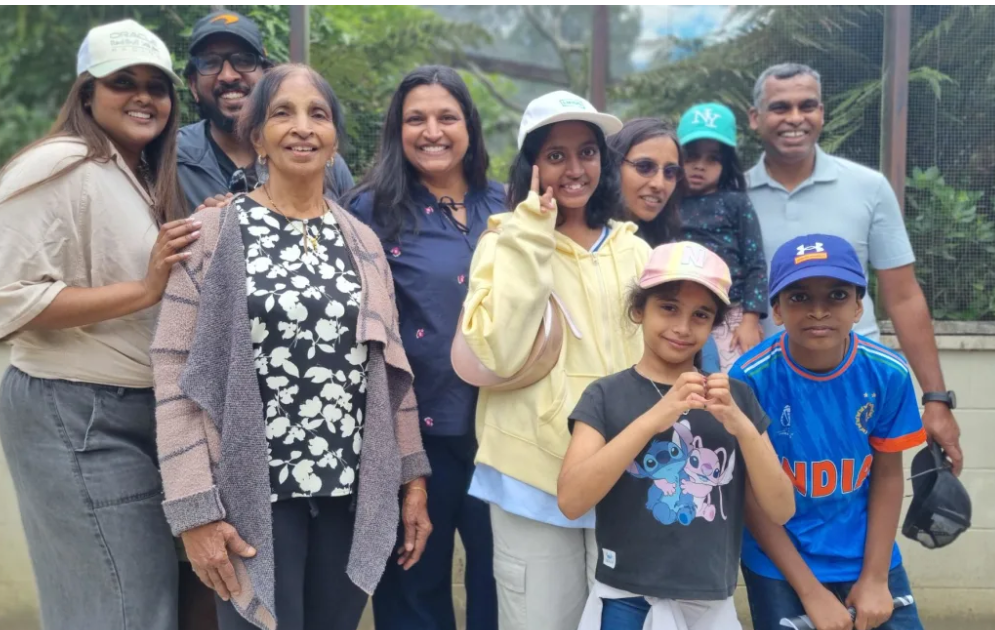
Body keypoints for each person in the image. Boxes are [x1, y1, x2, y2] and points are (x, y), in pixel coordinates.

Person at [150, 64, 431, 630]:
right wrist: (194, 511)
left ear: (333, 140)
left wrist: (413, 480)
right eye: (283, 113)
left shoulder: (363, 243)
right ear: (257, 137)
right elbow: (175, 372)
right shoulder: (213, 235)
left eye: (318, 114)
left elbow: (390, 369)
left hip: (349, 495)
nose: (302, 127)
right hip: (250, 496)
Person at [0, 19, 196, 630]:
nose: (143, 96)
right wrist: (143, 290)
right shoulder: (62, 162)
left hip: (129, 410)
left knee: (133, 602)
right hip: (77, 408)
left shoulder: (130, 172)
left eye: (156, 85)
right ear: (87, 93)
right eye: (122, 82)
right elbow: (6, 295)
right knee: (123, 608)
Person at [460, 91, 651, 630]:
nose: (574, 169)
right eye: (556, 155)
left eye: (587, 152)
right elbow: (497, 350)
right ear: (532, 165)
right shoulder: (504, 244)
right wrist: (531, 235)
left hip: (623, 472)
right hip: (531, 478)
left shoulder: (636, 252)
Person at [559, 241, 794, 630]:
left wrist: (742, 427)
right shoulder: (605, 395)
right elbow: (571, 499)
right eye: (668, 308)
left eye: (700, 315)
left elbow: (781, 508)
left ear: (714, 324)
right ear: (639, 310)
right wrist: (656, 417)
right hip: (624, 599)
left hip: (709, 604)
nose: (683, 327)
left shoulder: (735, 398)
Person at [746, 62, 963, 474]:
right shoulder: (732, 198)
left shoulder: (868, 187)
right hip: (764, 392)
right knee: (764, 517)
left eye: (807, 105)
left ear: (822, 113)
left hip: (856, 389)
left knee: (862, 512)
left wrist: (936, 399)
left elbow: (903, 296)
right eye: (780, 107)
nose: (795, 118)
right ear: (756, 118)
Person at [346, 66, 501, 630]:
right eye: (416, 119)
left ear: (470, 127)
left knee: (500, 587)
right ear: (396, 129)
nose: (431, 131)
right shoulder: (368, 212)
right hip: (412, 438)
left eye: (446, 117)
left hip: (501, 435)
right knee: (415, 590)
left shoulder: (507, 207)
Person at [731, 234, 927, 630]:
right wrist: (810, 593)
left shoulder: (887, 373)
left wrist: (873, 579)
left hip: (866, 556)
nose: (818, 311)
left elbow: (888, 475)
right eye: (799, 297)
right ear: (778, 311)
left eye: (836, 295)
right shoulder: (749, 379)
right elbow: (750, 496)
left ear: (858, 307)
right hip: (780, 563)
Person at [177, 10, 354, 211]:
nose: (228, 76)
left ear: (267, 78)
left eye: (244, 60)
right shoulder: (173, 158)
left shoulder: (319, 157)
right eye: (210, 63)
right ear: (193, 86)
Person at [609, 117, 721, 374]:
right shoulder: (590, 244)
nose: (659, 183)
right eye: (645, 167)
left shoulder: (667, 248)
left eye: (671, 172)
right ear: (612, 167)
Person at [677, 102, 768, 372]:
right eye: (691, 156)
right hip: (679, 310)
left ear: (727, 163)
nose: (699, 166)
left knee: (732, 385)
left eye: (712, 159)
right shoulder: (667, 201)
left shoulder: (735, 203)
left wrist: (750, 320)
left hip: (732, 314)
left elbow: (755, 263)